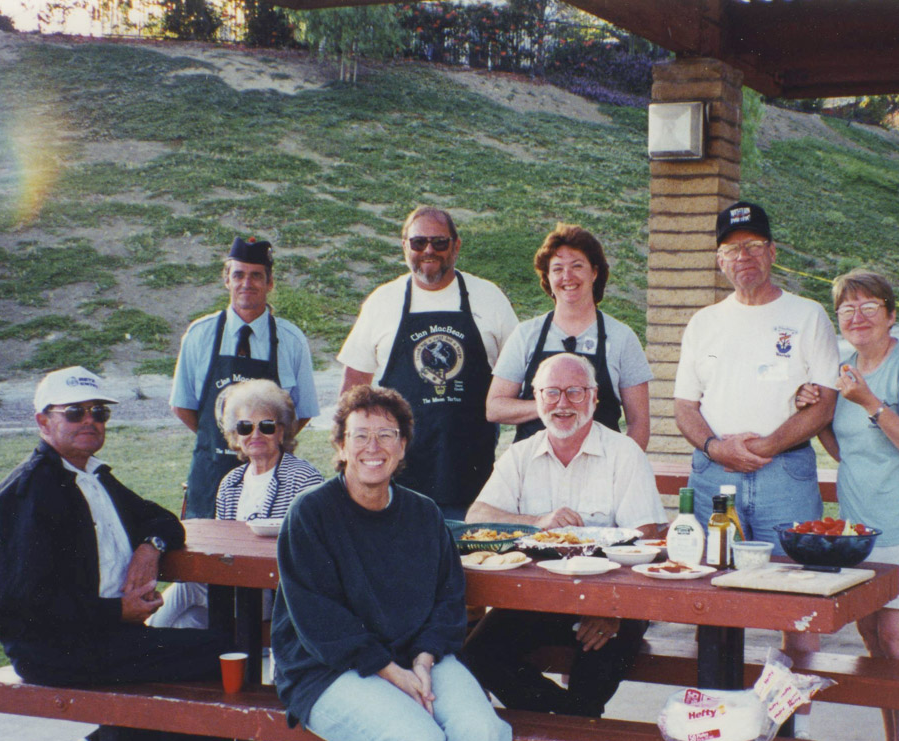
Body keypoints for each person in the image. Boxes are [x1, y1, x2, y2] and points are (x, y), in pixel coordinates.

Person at [271, 385, 512, 741]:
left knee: (481, 732)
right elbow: (317, 619)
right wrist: (391, 672)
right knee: (412, 740)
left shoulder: (424, 515)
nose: (373, 447)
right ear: (339, 446)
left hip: (416, 655)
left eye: (386, 435)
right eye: (360, 435)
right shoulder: (311, 514)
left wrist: (423, 659)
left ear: (403, 447)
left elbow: (449, 601)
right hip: (328, 666)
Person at [0, 366, 237, 741]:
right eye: (74, 412)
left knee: (220, 651)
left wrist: (150, 547)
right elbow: (26, 605)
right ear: (43, 421)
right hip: (53, 648)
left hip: (103, 636)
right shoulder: (27, 496)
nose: (89, 421)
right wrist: (117, 611)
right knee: (223, 656)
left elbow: (163, 520)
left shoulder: (93, 477)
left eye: (98, 412)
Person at [464, 354, 666, 741]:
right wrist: (537, 521)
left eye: (575, 392)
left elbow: (647, 538)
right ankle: (574, 727)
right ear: (536, 399)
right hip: (538, 602)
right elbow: (477, 516)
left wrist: (613, 611)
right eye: (551, 392)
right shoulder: (520, 455)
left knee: (596, 660)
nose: (562, 403)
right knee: (478, 652)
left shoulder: (623, 453)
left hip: (614, 604)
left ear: (594, 398)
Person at [673, 200, 839, 662]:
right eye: (731, 249)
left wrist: (764, 446)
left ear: (771, 251)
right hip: (714, 476)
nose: (742, 256)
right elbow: (684, 406)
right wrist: (715, 447)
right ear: (719, 260)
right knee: (710, 593)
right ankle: (714, 697)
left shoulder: (807, 316)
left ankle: (796, 702)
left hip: (784, 474)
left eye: (752, 245)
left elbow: (825, 403)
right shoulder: (704, 322)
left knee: (798, 599)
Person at [802, 270, 899, 741]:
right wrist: (815, 414)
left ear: (891, 314)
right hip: (858, 529)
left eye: (868, 307)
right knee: (874, 639)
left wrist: (870, 403)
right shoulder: (844, 370)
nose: (856, 317)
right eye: (846, 309)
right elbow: (847, 451)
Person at [336, 206, 519, 520]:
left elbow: (521, 371)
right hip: (397, 476)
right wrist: (348, 454)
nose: (429, 250)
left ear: (456, 246)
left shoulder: (488, 298)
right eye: (419, 242)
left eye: (439, 242)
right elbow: (353, 385)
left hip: (473, 476)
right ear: (404, 246)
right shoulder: (383, 301)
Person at [149, 378, 323, 630]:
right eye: (245, 427)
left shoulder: (304, 478)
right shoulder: (230, 483)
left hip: (278, 592)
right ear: (235, 435)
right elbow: (222, 546)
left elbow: (314, 550)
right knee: (186, 621)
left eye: (266, 426)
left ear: (281, 431)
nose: (255, 435)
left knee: (189, 587)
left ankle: (143, 642)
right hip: (232, 586)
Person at [170, 236, 320, 518]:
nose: (246, 283)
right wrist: (229, 439)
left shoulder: (291, 340)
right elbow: (182, 406)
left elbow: (303, 411)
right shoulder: (199, 335)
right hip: (211, 475)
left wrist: (266, 442)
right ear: (227, 279)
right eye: (238, 275)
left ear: (270, 282)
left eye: (256, 276)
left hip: (271, 480)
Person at [485, 223, 652, 449]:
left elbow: (639, 423)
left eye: (577, 266)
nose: (567, 276)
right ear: (547, 277)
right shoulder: (526, 335)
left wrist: (624, 465)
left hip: (600, 466)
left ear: (594, 272)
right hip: (535, 465)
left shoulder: (622, 337)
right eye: (557, 269)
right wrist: (551, 406)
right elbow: (495, 408)